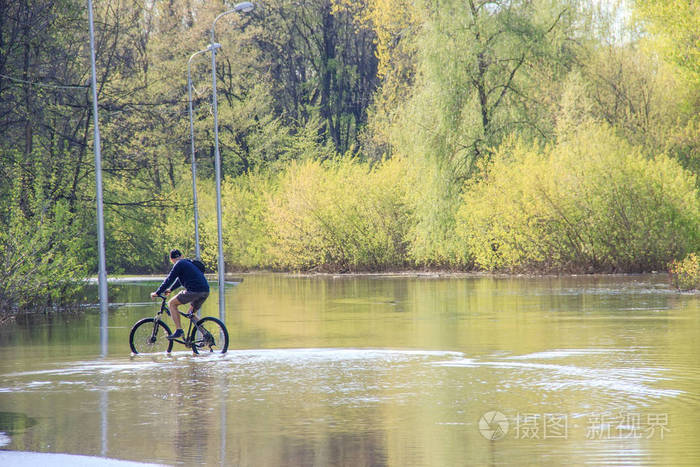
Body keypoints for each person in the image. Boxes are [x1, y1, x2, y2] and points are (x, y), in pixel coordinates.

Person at [151, 249, 210, 339]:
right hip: (205, 291)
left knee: (171, 303)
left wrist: (157, 292)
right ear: (181, 256)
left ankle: (179, 330)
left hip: (195, 291)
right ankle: (206, 335)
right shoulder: (186, 263)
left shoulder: (178, 264)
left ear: (171, 259)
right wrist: (170, 289)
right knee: (191, 313)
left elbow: (169, 279)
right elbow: (179, 280)